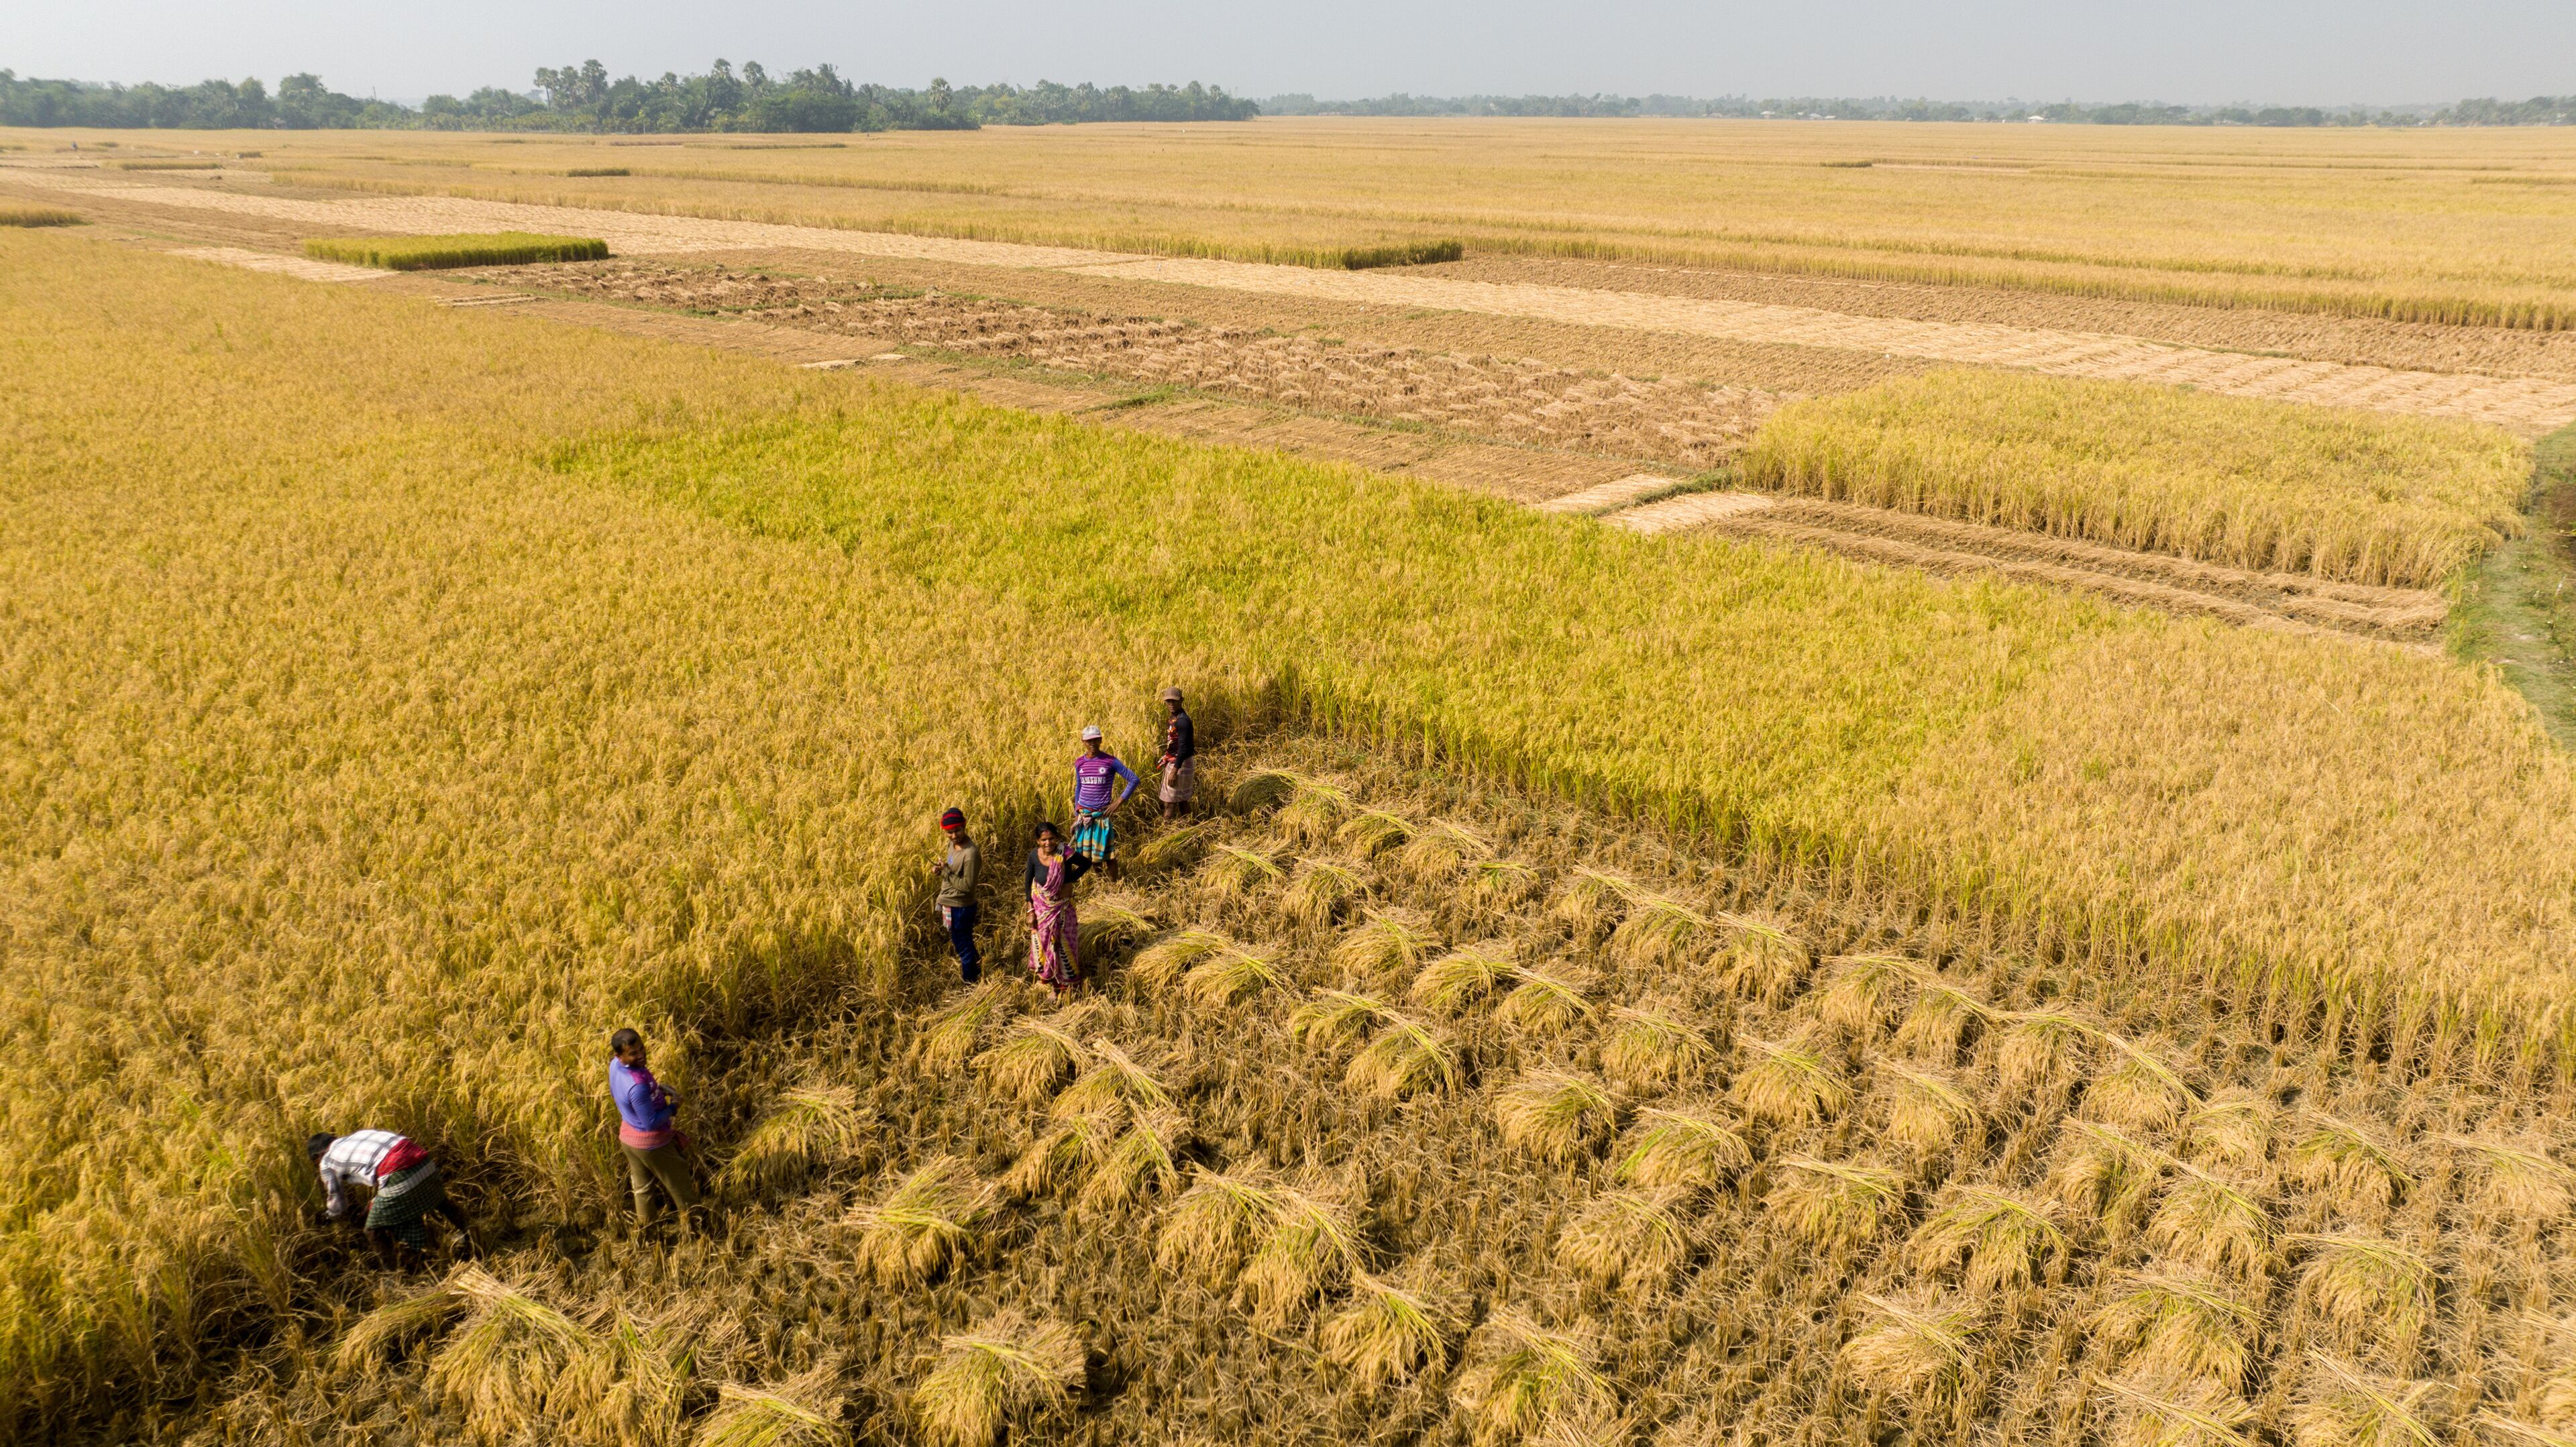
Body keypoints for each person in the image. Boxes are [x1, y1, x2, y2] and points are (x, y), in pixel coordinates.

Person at [309, 1129, 476, 1268]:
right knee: (441, 1202)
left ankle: (394, 1278)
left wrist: (327, 1217)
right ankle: (475, 1237)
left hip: (399, 1172)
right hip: (424, 1161)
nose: (318, 1166)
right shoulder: (359, 1136)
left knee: (373, 1230)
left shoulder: (327, 1161)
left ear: (318, 1156)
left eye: (315, 1163)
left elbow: (338, 1206)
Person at [609, 1028, 700, 1234]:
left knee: (643, 1191)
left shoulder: (615, 1066)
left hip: (629, 1138)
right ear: (620, 1055)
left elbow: (632, 1097)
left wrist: (656, 1091)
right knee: (680, 1185)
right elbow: (651, 1122)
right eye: (633, 1054)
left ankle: (648, 1235)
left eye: (641, 1048)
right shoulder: (638, 1087)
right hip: (652, 1144)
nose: (641, 1055)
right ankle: (698, 1229)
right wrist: (674, 1105)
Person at [1026, 820, 1095, 997]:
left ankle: (1066, 986)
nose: (1048, 843)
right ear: (1037, 841)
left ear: (1057, 839)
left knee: (1064, 946)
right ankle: (1051, 983)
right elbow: (1028, 882)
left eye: (1051, 839)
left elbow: (1086, 864)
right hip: (1042, 907)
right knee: (1044, 944)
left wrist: (1069, 879)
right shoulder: (1034, 856)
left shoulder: (1065, 854)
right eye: (1043, 840)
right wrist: (1030, 909)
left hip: (1063, 908)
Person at [1070, 725, 1139, 881]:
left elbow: (1134, 779)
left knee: (1108, 856)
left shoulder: (1110, 761)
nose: (1092, 743)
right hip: (1084, 816)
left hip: (1101, 817)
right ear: (1083, 742)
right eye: (1088, 741)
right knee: (1091, 857)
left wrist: (1118, 802)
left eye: (1095, 740)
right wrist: (1076, 815)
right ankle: (1101, 882)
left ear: (1100, 740)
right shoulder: (1080, 763)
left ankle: (1114, 887)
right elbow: (1079, 788)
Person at [934, 806, 982, 983]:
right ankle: (977, 971)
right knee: (965, 942)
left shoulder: (971, 854)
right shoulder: (952, 845)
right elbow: (952, 868)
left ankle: (970, 983)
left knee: (963, 946)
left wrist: (946, 873)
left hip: (960, 907)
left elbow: (968, 886)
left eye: (957, 831)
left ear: (964, 826)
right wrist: (942, 869)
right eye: (949, 832)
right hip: (951, 903)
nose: (954, 835)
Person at [1157, 688, 1197, 821]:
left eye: (1174, 701)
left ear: (1181, 700)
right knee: (1182, 801)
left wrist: (1175, 770)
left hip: (1180, 764)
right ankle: (1190, 830)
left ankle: (1165, 835)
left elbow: (1184, 748)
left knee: (1169, 803)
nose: (1171, 704)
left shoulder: (1182, 721)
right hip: (1178, 762)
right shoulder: (1175, 718)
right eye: (1168, 701)